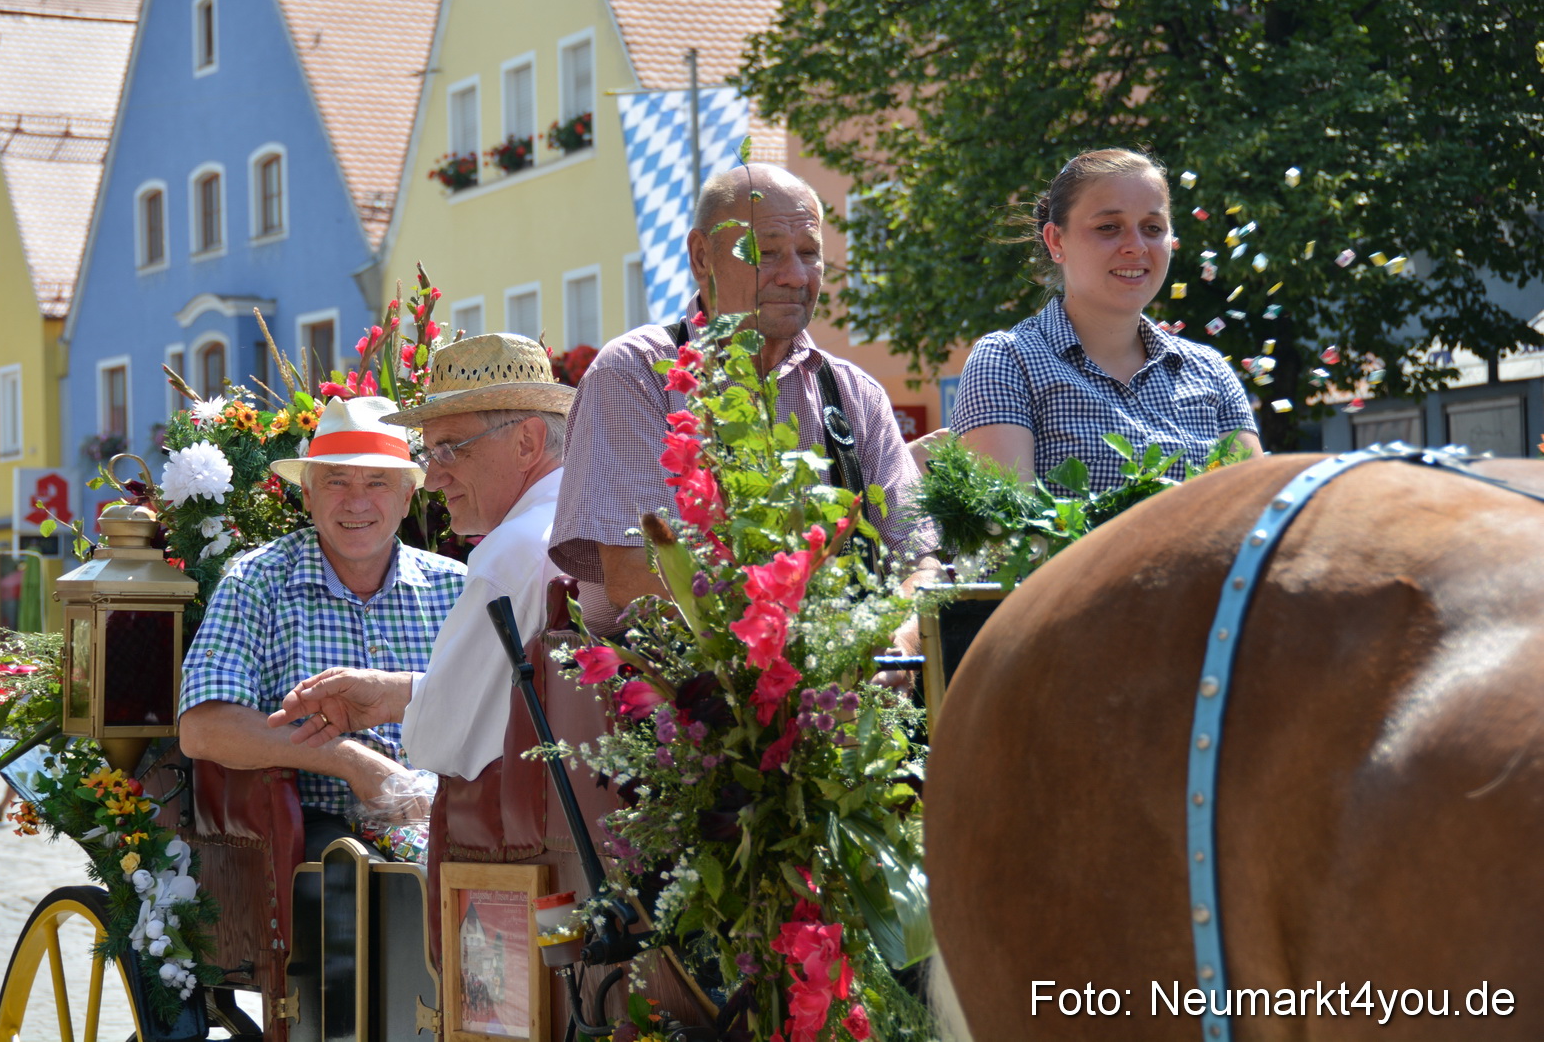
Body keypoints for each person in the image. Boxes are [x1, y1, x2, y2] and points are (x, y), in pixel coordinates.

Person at [550, 162, 941, 641]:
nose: (796, 276)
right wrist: (803, 646)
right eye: (766, 252)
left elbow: (922, 563)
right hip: (683, 697)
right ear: (701, 258)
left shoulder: (854, 393)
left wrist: (893, 641)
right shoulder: (637, 372)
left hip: (848, 678)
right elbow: (636, 577)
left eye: (809, 253)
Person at [267, 333, 573, 782]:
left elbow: (441, 743)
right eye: (430, 454)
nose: (432, 480)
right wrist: (394, 695)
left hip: (510, 843)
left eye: (449, 448)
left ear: (527, 443)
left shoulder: (511, 554)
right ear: (307, 494)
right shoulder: (585, 522)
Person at [177, 395, 467, 857]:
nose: (357, 502)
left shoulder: (457, 588)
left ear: (407, 497)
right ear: (308, 494)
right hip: (317, 829)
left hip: (454, 816)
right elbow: (203, 728)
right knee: (373, 883)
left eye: (377, 482)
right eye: (337, 481)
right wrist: (350, 761)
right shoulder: (257, 582)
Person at [950, 148, 1262, 490]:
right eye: (1109, 227)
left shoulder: (1211, 371)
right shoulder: (1007, 362)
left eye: (1153, 227)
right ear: (1056, 240)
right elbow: (1005, 533)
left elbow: (1257, 511)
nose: (1136, 246)